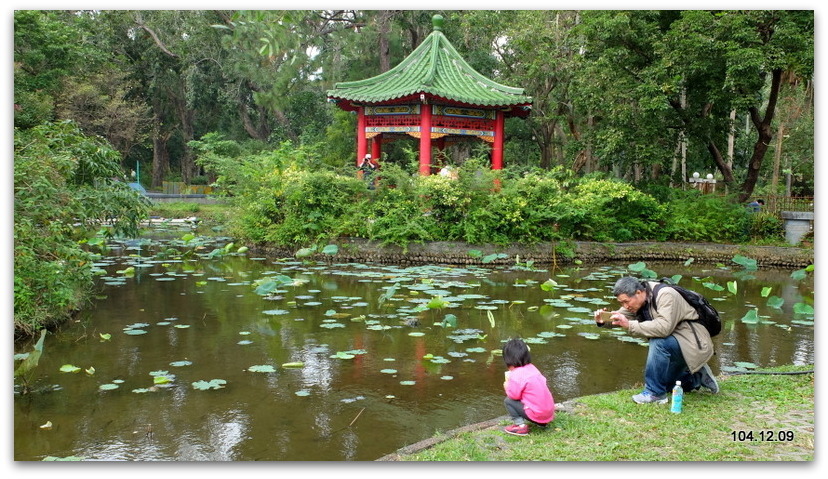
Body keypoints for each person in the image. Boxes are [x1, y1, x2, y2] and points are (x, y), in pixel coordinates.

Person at [594, 277, 719, 404]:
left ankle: (655, 394)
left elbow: (664, 328)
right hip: (677, 341)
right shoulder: (639, 298)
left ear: (638, 292)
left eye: (626, 302)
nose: (625, 306)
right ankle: (694, 377)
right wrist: (604, 320)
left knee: (658, 341)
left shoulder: (666, 295)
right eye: (621, 303)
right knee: (668, 386)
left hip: (693, 343)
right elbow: (622, 316)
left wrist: (629, 325)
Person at [501, 338, 555, 436]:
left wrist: (506, 386)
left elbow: (513, 396)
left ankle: (520, 426)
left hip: (538, 414)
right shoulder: (532, 368)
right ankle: (541, 423)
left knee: (508, 401)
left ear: (508, 359)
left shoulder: (516, 374)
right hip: (549, 412)